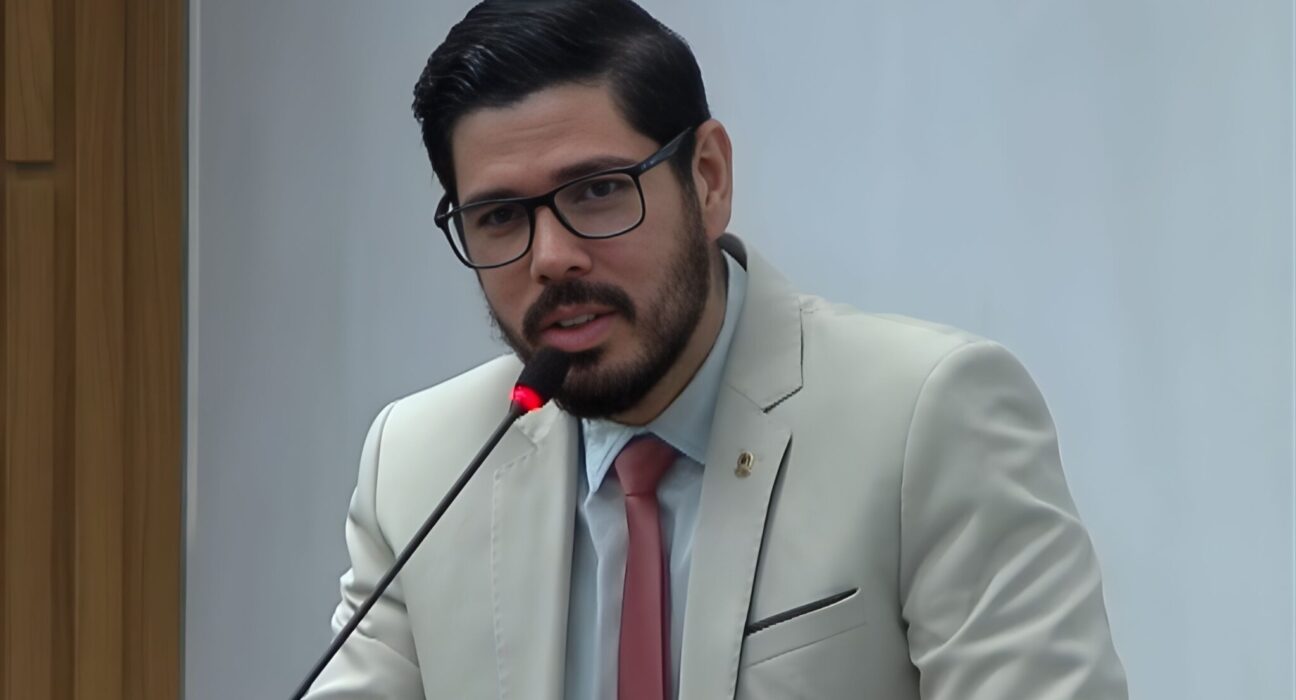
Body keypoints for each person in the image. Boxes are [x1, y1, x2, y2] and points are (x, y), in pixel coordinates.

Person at [306, 1, 1128, 698]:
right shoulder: (420, 466)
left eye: (598, 192)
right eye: (499, 217)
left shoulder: (926, 419)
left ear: (707, 179)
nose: (551, 258)